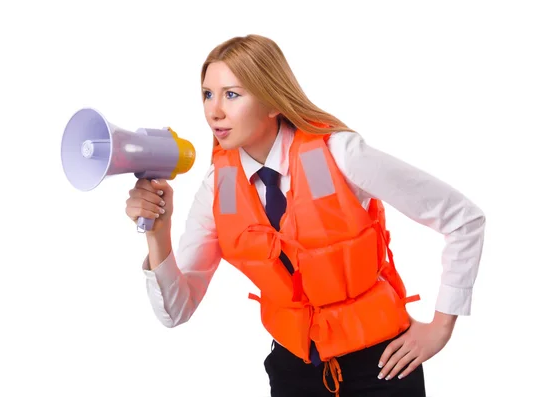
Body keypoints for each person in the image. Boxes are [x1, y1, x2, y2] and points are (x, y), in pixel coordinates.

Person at [125, 34, 485, 397]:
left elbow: (463, 219)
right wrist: (158, 231)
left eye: (231, 94)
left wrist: (440, 327)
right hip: (293, 373)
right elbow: (175, 311)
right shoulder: (218, 187)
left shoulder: (339, 154)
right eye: (207, 94)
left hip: (381, 365)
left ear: (272, 102)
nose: (214, 111)